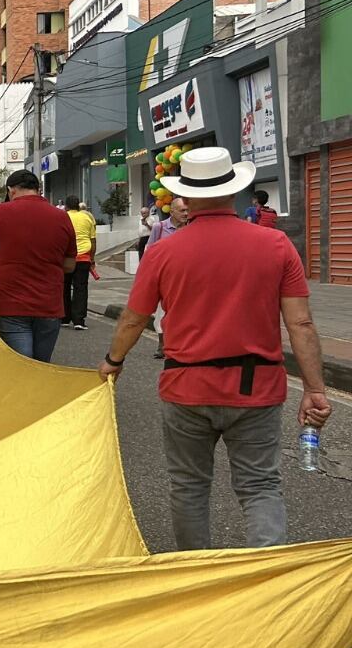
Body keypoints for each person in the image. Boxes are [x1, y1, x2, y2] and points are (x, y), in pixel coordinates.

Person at [99, 147, 332, 551]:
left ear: (185, 197)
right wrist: (314, 389)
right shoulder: (276, 245)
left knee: (189, 485)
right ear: (234, 191)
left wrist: (113, 361)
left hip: (185, 387)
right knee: (260, 485)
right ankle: (265, 574)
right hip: (256, 387)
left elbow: (134, 319)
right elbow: (301, 324)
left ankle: (196, 570)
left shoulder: (163, 251)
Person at [0, 170, 77, 362]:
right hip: (49, 304)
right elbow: (69, 265)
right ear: (38, 189)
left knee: (20, 366)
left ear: (11, 190)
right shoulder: (61, 216)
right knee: (41, 365)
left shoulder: (0, 212)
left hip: (10, 304)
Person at [145, 197, 190, 358]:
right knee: (161, 312)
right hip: (164, 278)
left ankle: (181, 344)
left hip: (186, 278)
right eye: (182, 210)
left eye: (187, 210)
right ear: (172, 212)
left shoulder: (191, 228)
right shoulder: (159, 227)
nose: (186, 214)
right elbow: (150, 251)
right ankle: (162, 344)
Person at [63, 195, 96, 331]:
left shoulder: (63, 217)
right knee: (80, 288)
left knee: (64, 287)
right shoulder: (87, 218)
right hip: (83, 257)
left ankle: (64, 318)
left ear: (66, 206)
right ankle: (79, 320)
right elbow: (93, 240)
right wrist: (92, 259)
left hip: (66, 258)